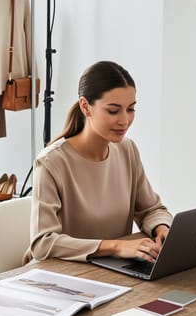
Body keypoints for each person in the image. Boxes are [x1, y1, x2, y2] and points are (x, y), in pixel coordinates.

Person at [26, 61, 173, 263]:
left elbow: (151, 210)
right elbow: (43, 242)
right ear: (85, 106)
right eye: (113, 111)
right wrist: (116, 246)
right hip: (59, 275)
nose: (124, 120)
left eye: (131, 109)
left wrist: (162, 228)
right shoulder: (51, 162)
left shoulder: (127, 150)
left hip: (112, 269)